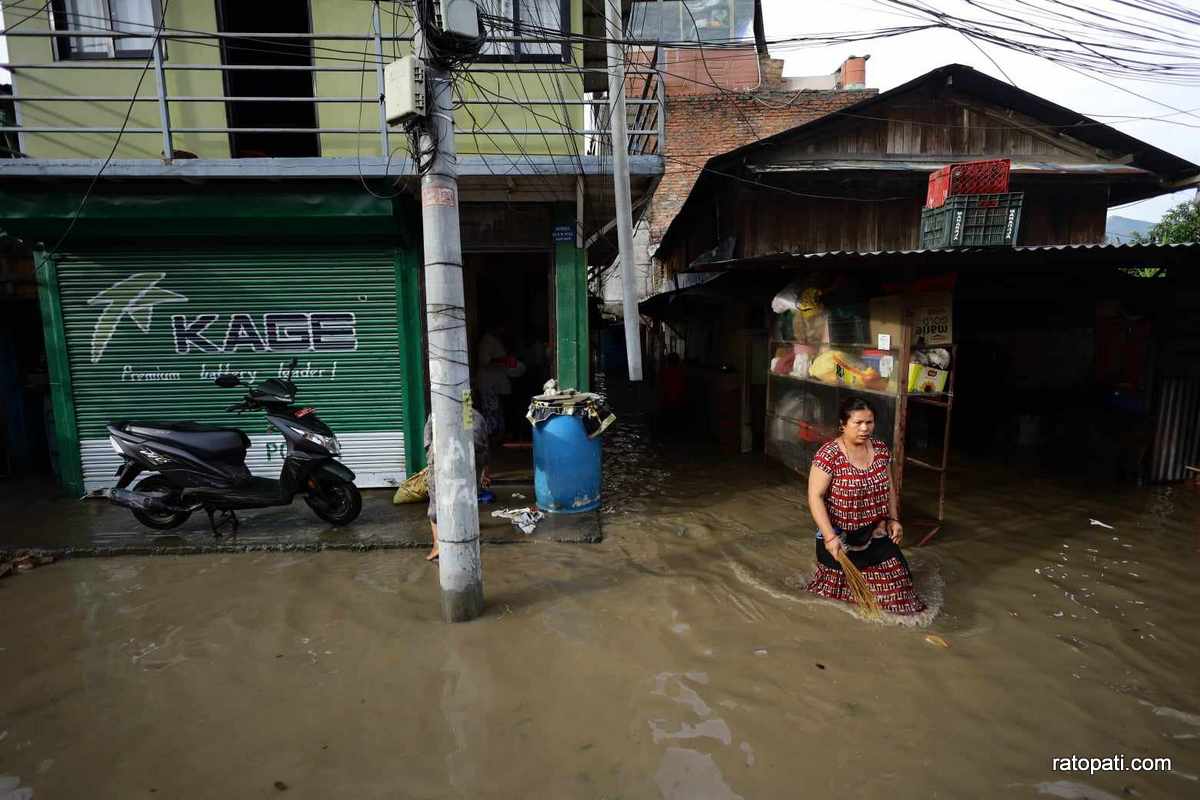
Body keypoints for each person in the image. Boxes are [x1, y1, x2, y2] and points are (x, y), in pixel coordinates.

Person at [805, 397, 926, 615]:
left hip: (875, 533)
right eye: (858, 423)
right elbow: (815, 496)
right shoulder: (828, 455)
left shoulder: (880, 450)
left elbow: (889, 489)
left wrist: (893, 519)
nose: (864, 428)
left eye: (869, 423)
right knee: (837, 598)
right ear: (843, 424)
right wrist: (830, 537)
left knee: (901, 593)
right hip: (840, 540)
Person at [424, 404, 491, 562]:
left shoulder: (438, 414)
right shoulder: (475, 416)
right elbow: (484, 448)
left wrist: (432, 460)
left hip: (449, 461)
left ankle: (438, 544)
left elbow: (427, 442)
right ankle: (461, 534)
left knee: (437, 505)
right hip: (465, 462)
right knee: (465, 498)